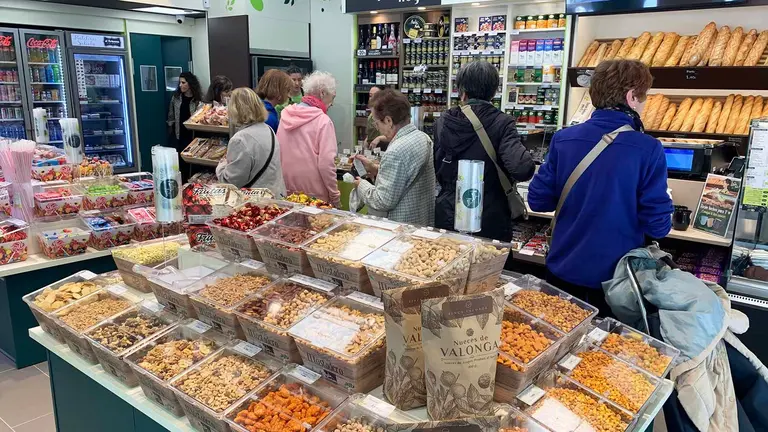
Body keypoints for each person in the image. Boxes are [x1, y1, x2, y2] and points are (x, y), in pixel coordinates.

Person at [527, 59, 673, 315]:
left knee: (556, 344)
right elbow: (658, 227)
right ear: (631, 97)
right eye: (644, 97)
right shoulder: (648, 149)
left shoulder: (563, 139)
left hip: (563, 270)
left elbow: (538, 201)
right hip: (615, 284)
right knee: (603, 352)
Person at [434, 61, 535, 242]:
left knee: (449, 265)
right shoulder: (502, 123)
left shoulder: (444, 121)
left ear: (462, 91)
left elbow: (438, 165)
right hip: (489, 215)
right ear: (494, 91)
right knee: (489, 267)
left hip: (449, 212)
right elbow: (522, 169)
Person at [353, 89, 435, 226]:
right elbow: (406, 175)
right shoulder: (422, 137)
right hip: (422, 221)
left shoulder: (395, 151)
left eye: (377, 123)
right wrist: (377, 169)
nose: (377, 128)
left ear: (389, 121)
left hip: (400, 227)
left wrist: (361, 185)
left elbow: (382, 201)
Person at [277, 71, 340, 206]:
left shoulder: (285, 116)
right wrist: (334, 195)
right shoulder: (323, 121)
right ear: (323, 93)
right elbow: (326, 164)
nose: (332, 103)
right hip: (314, 196)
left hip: (287, 189)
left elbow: (278, 153)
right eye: (332, 97)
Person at [216, 88, 286, 195]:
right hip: (275, 196)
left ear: (235, 109)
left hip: (254, 204)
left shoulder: (240, 140)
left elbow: (231, 181)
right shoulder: (268, 129)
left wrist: (221, 166)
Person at [167, 72, 203, 181]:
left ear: (190, 83)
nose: (180, 85)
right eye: (179, 83)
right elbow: (171, 114)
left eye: (183, 82)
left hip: (193, 134)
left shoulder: (197, 100)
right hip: (180, 133)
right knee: (181, 162)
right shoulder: (176, 98)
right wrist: (170, 126)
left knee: (193, 162)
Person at [365, 85, 390, 151]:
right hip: (372, 148)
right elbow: (370, 134)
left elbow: (393, 136)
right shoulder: (371, 114)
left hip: (384, 148)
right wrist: (365, 145)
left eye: (375, 95)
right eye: (370, 96)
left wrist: (379, 138)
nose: (372, 98)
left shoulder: (387, 114)